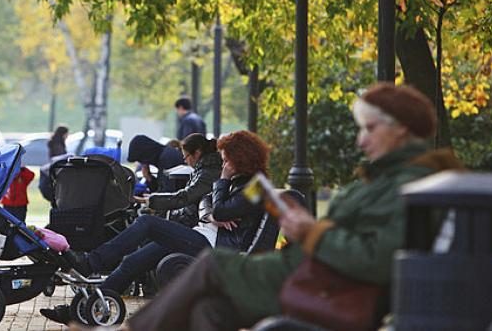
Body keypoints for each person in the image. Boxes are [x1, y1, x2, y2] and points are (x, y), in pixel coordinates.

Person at [124, 83, 463, 331]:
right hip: (308, 272)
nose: (361, 140)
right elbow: (214, 209)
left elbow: (374, 259)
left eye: (369, 129)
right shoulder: (389, 180)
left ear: (401, 129)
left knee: (209, 266)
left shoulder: (408, 185)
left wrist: (311, 232)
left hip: (317, 284)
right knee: (208, 312)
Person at [40, 131, 271, 324]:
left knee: (147, 223)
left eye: (226, 159)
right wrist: (211, 212)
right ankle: (81, 309)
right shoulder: (238, 180)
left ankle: (91, 262)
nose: (224, 163)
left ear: (241, 158)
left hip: (217, 247)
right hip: (204, 235)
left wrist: (222, 183)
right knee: (132, 261)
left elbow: (221, 210)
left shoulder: (256, 186)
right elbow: (206, 203)